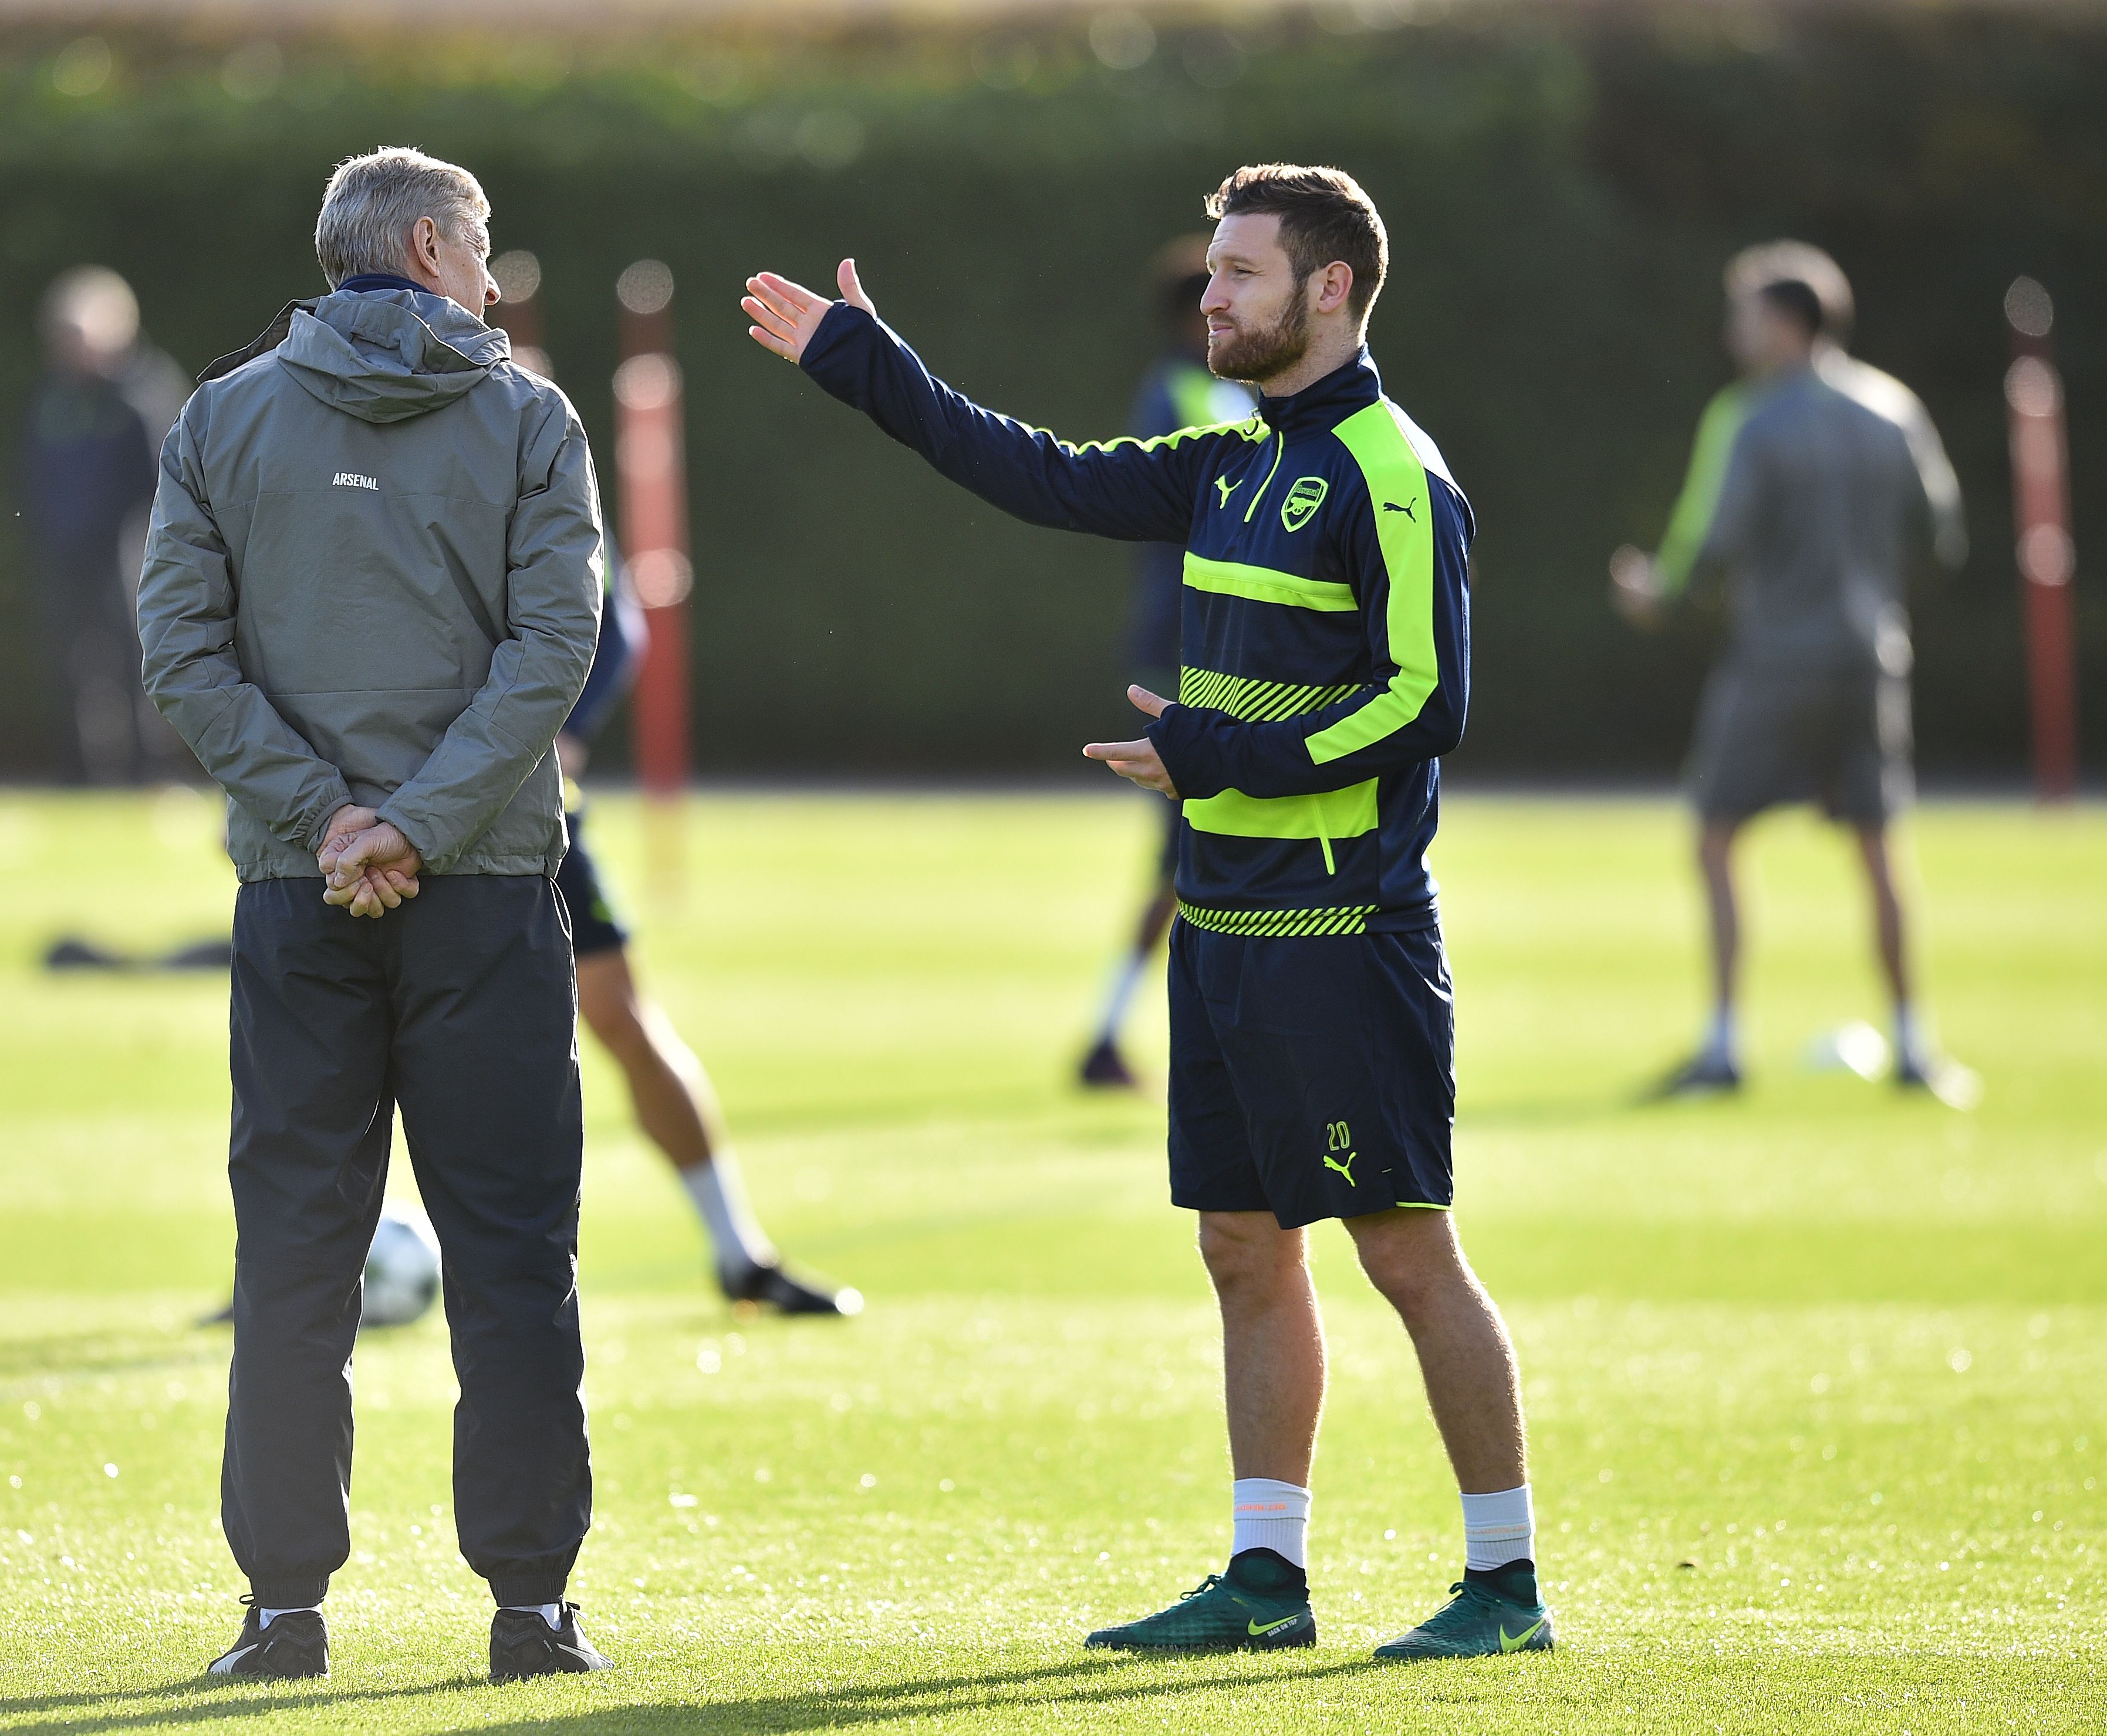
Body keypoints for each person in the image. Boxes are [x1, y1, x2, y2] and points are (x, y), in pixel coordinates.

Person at [742, 163, 1552, 1662]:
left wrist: (1211, 753)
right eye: (1211, 273)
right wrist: (864, 365)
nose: (1209, 296)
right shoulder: (1229, 460)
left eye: (1241, 274)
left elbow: (1424, 704)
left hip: (1341, 929)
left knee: (1400, 1249)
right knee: (1242, 1246)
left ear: (1327, 291)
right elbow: (1037, 472)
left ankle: (1503, 1584)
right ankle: (1264, 1575)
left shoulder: (1389, 468)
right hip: (1224, 924)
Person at [139, 146, 612, 1684]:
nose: (493, 279)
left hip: (300, 886)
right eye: (484, 254)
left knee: (290, 1258)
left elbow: (183, 655)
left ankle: (282, 1612)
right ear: (427, 247)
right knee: (515, 1257)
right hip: (479, 895)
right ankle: (532, 1611)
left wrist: (334, 818)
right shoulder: (531, 415)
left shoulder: (221, 413)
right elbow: (555, 649)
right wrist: (418, 820)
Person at [1610, 241, 1975, 1106]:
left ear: (1783, 321)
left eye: (1743, 314)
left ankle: (1724, 1044)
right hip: (1869, 655)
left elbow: (1704, 549)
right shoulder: (1895, 408)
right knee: (1879, 847)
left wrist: (1652, 594)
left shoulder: (1750, 417)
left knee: (1714, 835)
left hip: (1774, 659)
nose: (1733, 331)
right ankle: (1915, 1044)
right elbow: (1942, 536)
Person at [558, 568, 860, 1315]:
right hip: (371, 801)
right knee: (356, 1036)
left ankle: (739, 1255)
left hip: (524, 806)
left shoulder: (529, 451)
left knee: (623, 1019)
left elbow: (616, 621)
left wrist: (564, 732)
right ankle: (288, 1275)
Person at [1080, 236, 1257, 1090]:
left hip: (1198, 644)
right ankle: (1135, 1036)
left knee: (1195, 857)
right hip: (1189, 649)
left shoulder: (1214, 389)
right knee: (1195, 853)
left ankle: (1115, 1032)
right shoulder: (1193, 393)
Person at [26, 266, 188, 786]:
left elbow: (171, 478)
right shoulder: (54, 399)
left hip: (134, 553)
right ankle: (80, 774)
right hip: (68, 552)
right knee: (73, 663)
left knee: (140, 662)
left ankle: (152, 773)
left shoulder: (145, 393)